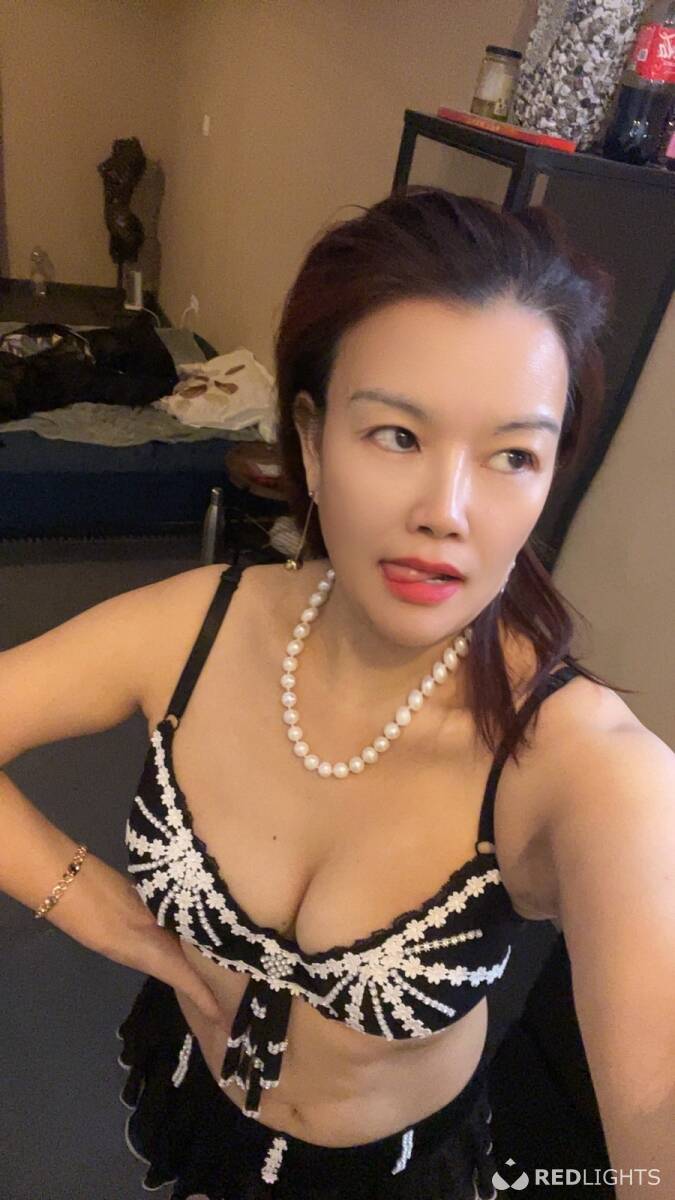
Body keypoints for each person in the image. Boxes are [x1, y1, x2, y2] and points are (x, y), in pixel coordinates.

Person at [1, 187, 673, 1200]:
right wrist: (100, 912)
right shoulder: (194, 627)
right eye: (397, 435)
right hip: (195, 1089)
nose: (446, 511)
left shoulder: (586, 765)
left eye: (511, 455)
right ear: (312, 443)